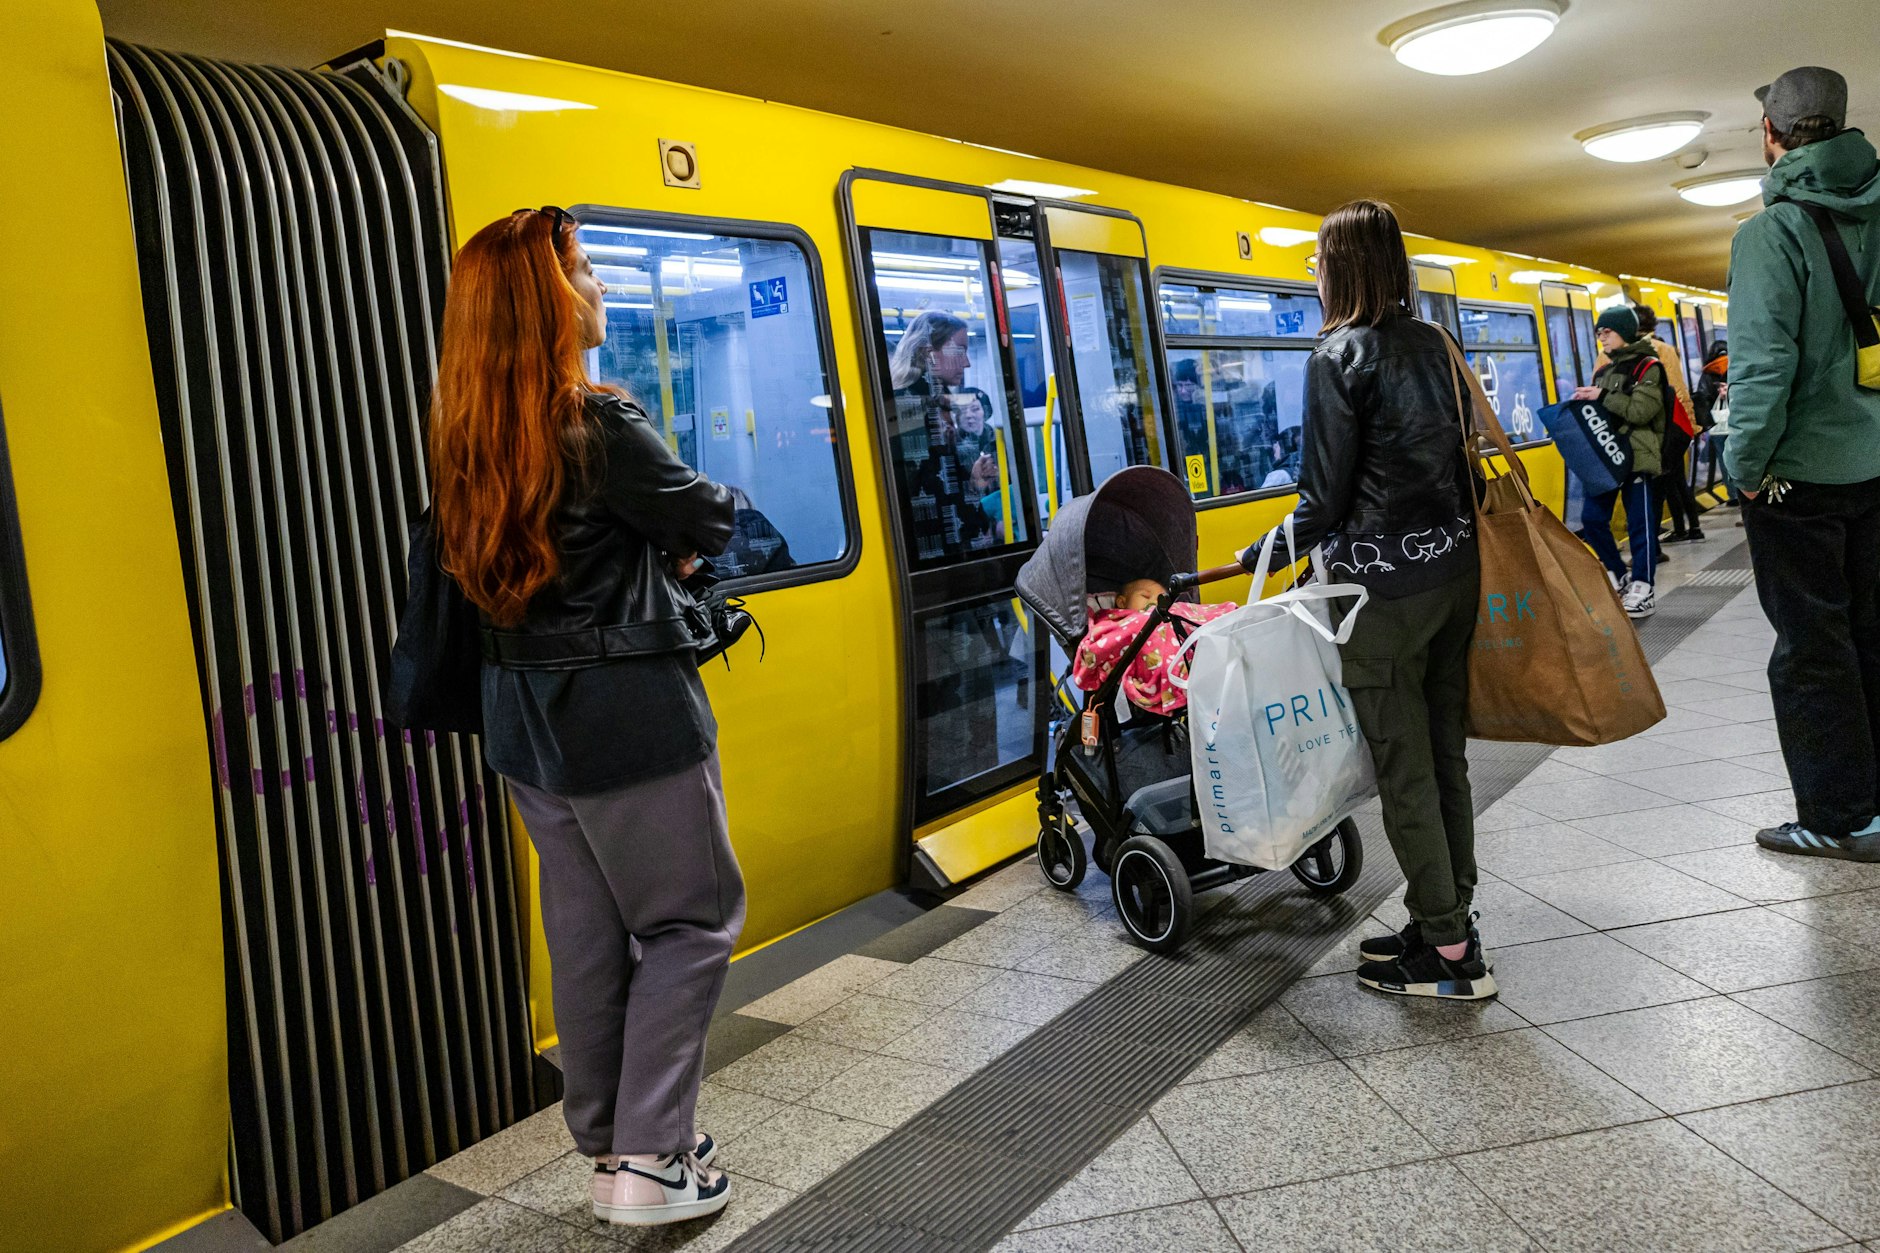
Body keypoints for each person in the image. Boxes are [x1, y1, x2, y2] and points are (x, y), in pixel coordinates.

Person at [428, 207, 741, 1226]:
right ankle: (653, 1157)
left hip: (523, 726)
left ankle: (611, 1142)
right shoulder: (596, 421)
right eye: (583, 269)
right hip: (630, 719)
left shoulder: (466, 438)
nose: (599, 287)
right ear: (542, 301)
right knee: (690, 922)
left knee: (590, 939)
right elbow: (706, 516)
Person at [1246, 199, 1492, 1001]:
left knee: (1404, 762)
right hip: (1455, 574)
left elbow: (1321, 502)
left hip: (1381, 593)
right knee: (1443, 750)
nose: (1313, 274)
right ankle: (1447, 913)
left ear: (1339, 268)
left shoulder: (1337, 355)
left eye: (1317, 261)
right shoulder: (1435, 343)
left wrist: (1261, 553)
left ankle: (1450, 953)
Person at [1723, 66, 1880, 859]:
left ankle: (1839, 815)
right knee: (1873, 631)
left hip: (1798, 479)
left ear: (1771, 137)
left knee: (1813, 648)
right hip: (1876, 465)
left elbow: (1760, 368)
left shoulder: (1770, 234)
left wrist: (1743, 465)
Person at [1572, 306, 1667, 618]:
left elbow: (1642, 412)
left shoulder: (1648, 367)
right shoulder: (1603, 371)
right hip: (1607, 456)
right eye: (1599, 333)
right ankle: (1619, 573)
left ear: (1624, 332)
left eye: (1607, 332)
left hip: (1638, 456)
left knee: (1640, 523)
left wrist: (1601, 396)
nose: (1602, 338)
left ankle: (1644, 586)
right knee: (1592, 518)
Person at [1071, 578, 1237, 716]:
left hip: (1185, 642)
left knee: (1179, 615)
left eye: (1161, 598)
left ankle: (1231, 626)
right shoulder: (1119, 622)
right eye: (1145, 595)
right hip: (1159, 662)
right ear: (1122, 602)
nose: (1155, 602)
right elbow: (1102, 644)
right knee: (1152, 619)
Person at [1633, 305, 1705, 543]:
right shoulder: (1666, 350)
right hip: (1675, 428)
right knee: (1674, 480)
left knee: (1662, 484)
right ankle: (1688, 528)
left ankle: (1661, 539)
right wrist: (1691, 427)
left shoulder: (1627, 353)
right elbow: (1680, 393)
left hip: (1653, 431)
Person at [1693, 342, 1731, 501]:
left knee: (1724, 459)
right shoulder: (1735, 366)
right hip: (1737, 420)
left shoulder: (1708, 373)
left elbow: (1702, 398)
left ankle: (1733, 493)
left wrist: (1706, 424)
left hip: (1718, 423)